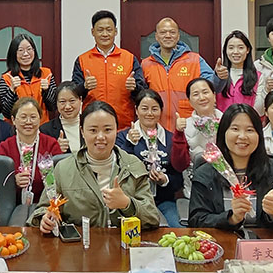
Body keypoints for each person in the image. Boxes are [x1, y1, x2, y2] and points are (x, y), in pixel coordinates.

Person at [30, 101, 160, 231]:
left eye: (108, 130)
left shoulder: (133, 165)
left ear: (117, 130)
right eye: (93, 130)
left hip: (123, 240)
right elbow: (43, 209)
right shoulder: (63, 169)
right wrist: (45, 219)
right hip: (79, 242)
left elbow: (152, 217)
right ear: (82, 131)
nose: (101, 137)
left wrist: (127, 204)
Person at [188, 103, 273, 230]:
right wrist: (232, 218)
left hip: (263, 241)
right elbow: (196, 221)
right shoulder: (206, 173)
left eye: (250, 130)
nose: (242, 136)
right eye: (235, 129)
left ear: (259, 135)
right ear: (223, 133)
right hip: (222, 240)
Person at [115, 89, 184, 227]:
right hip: (134, 200)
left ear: (161, 111)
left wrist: (165, 180)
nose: (149, 113)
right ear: (136, 110)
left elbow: (179, 177)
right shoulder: (123, 137)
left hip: (164, 200)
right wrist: (129, 144)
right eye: (144, 108)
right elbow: (119, 169)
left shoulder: (171, 139)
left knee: (177, 229)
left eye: (154, 109)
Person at [71, 10, 146, 128]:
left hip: (124, 125)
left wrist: (135, 88)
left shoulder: (129, 58)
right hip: (92, 124)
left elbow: (143, 93)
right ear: (93, 32)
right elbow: (74, 94)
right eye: (100, 30)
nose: (105, 34)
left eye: (109, 30)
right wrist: (84, 87)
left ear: (115, 31)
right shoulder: (82, 60)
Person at [141, 17, 215, 132]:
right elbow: (141, 96)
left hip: (188, 126)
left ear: (178, 36)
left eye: (172, 32)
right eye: (163, 32)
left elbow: (213, 85)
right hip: (157, 127)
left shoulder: (195, 60)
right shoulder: (146, 64)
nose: (168, 36)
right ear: (156, 36)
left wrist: (220, 77)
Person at [0, 97, 62, 206]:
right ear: (13, 120)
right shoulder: (5, 147)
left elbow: (61, 178)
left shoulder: (51, 144)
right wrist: (13, 181)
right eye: (23, 117)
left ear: (40, 119)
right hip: (13, 205)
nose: (28, 122)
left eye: (33, 117)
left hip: (47, 204)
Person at [0, 34, 57, 123]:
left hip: (41, 126)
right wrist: (12, 90)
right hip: (16, 127)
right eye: (21, 50)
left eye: (29, 49)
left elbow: (53, 107)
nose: (25, 54)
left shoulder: (46, 74)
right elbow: (6, 112)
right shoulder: (6, 78)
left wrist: (47, 91)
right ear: (14, 53)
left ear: (34, 51)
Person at [213, 30, 265, 115]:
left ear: (247, 50)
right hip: (223, 122)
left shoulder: (258, 77)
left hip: (247, 122)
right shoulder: (219, 76)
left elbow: (260, 112)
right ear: (225, 50)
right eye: (231, 48)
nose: (235, 52)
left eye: (240, 47)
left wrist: (266, 91)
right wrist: (216, 78)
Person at [39, 81, 83, 153]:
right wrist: (55, 149)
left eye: (72, 101)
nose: (67, 106)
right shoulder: (46, 130)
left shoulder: (90, 124)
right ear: (56, 103)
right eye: (62, 102)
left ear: (80, 100)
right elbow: (42, 156)